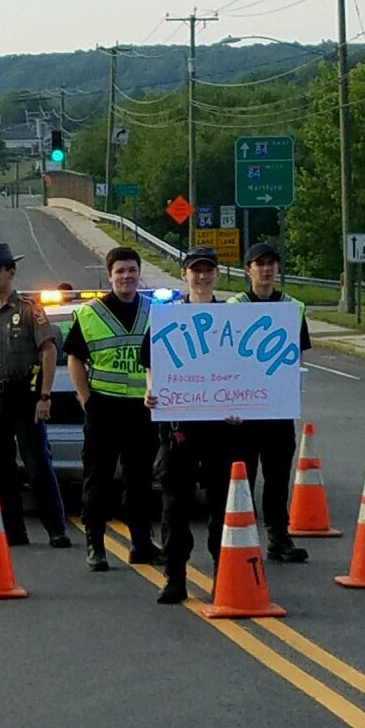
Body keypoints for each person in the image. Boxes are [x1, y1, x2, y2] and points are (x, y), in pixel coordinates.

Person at [0, 242, 71, 549]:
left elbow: (48, 351)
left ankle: (56, 529)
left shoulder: (28, 309)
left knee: (37, 464)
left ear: (11, 272)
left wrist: (45, 396)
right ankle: (13, 531)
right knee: (1, 467)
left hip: (23, 396)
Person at [144, 247, 235, 604]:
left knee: (222, 505)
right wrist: (151, 391)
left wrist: (243, 405)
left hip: (221, 430)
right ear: (184, 275)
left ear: (217, 275)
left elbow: (243, 371)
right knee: (174, 507)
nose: (202, 276)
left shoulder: (232, 320)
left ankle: (225, 575)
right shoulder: (167, 318)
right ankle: (175, 578)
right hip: (178, 429)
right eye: (196, 270)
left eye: (208, 270)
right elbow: (151, 364)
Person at [64, 246, 161, 572]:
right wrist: (87, 399)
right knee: (98, 481)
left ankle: (142, 545)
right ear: (109, 276)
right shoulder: (90, 314)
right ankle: (96, 546)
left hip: (142, 410)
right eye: (120, 271)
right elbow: (75, 358)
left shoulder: (156, 311)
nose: (126, 276)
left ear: (139, 274)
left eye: (132, 270)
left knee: (140, 482)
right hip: (103, 408)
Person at [228, 242, 312, 562]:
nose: (265, 270)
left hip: (277, 410)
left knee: (277, 476)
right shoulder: (233, 307)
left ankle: (278, 536)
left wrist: (288, 392)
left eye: (271, 264)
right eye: (259, 264)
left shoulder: (292, 307)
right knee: (242, 476)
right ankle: (241, 537)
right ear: (247, 270)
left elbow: (297, 355)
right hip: (243, 412)